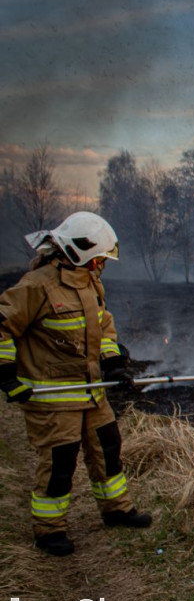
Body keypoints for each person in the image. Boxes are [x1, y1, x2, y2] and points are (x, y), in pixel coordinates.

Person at [0, 212, 151, 556]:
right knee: (59, 462)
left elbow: (104, 325)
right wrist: (5, 375)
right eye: (99, 258)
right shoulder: (36, 286)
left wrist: (113, 363)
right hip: (52, 395)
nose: (101, 265)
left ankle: (117, 509)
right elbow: (2, 326)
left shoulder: (90, 283)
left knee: (107, 448)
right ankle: (49, 529)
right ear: (81, 252)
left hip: (92, 391)